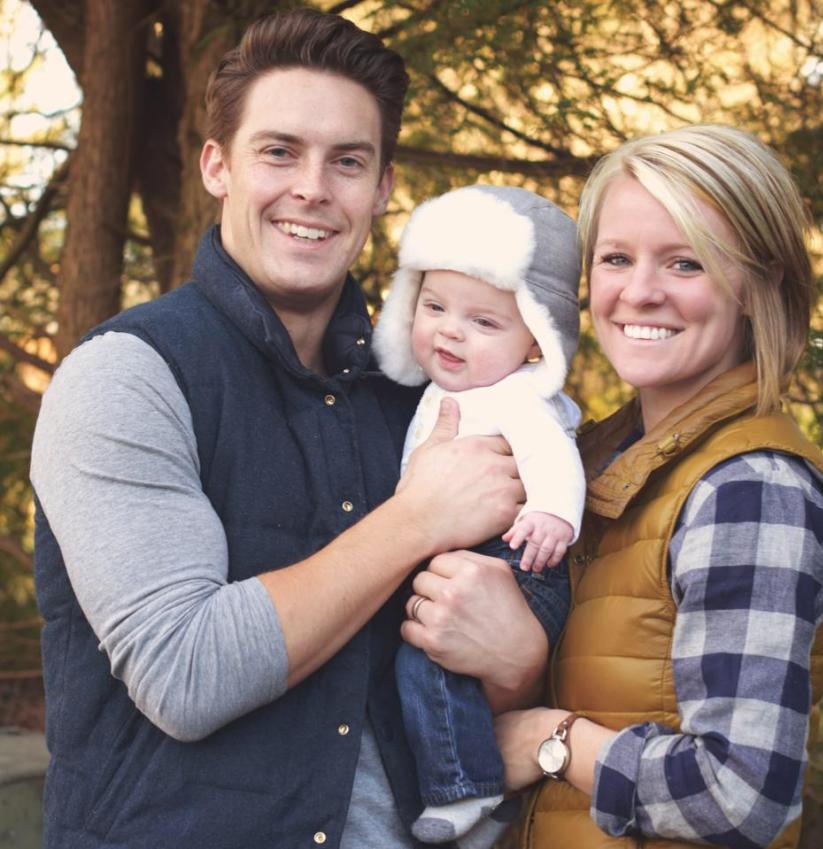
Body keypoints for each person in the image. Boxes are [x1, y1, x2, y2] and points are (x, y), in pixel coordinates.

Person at [29, 10, 545, 849]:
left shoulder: (419, 403)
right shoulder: (126, 376)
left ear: (380, 189)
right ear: (217, 166)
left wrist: (519, 657)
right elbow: (184, 673)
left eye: (348, 161)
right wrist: (414, 519)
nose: (312, 187)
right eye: (279, 151)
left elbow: (453, 674)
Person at [480, 124, 823, 849]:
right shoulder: (592, 460)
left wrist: (551, 740)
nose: (639, 292)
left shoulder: (751, 486)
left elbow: (740, 794)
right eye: (616, 258)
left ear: (756, 284)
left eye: (685, 263)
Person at [372, 185, 585, 844]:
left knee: (428, 666)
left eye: (484, 322)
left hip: (521, 562)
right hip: (462, 564)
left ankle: (465, 789)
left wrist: (553, 512)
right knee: (422, 665)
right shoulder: (437, 392)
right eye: (433, 307)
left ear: (533, 343)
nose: (451, 330)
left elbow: (553, 454)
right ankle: (468, 784)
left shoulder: (517, 395)